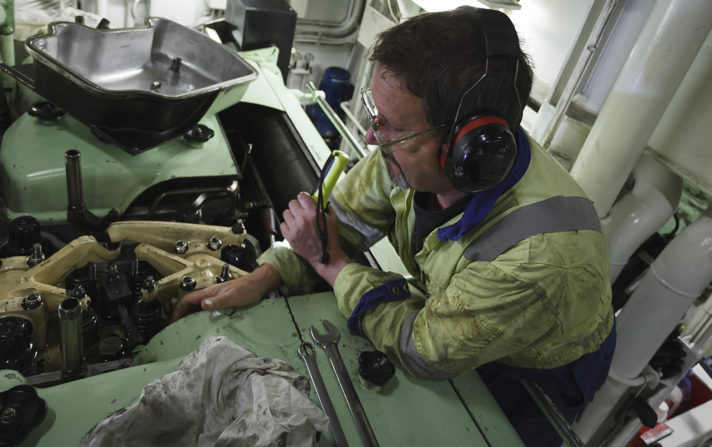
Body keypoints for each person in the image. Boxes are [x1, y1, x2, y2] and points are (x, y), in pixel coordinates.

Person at [173, 7, 615, 446]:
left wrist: (334, 268)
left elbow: (422, 348)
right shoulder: (403, 157)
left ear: (463, 150)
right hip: (456, 309)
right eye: (374, 115)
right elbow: (337, 227)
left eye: (392, 127)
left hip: (531, 372)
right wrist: (266, 276)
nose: (371, 136)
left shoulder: (539, 259)